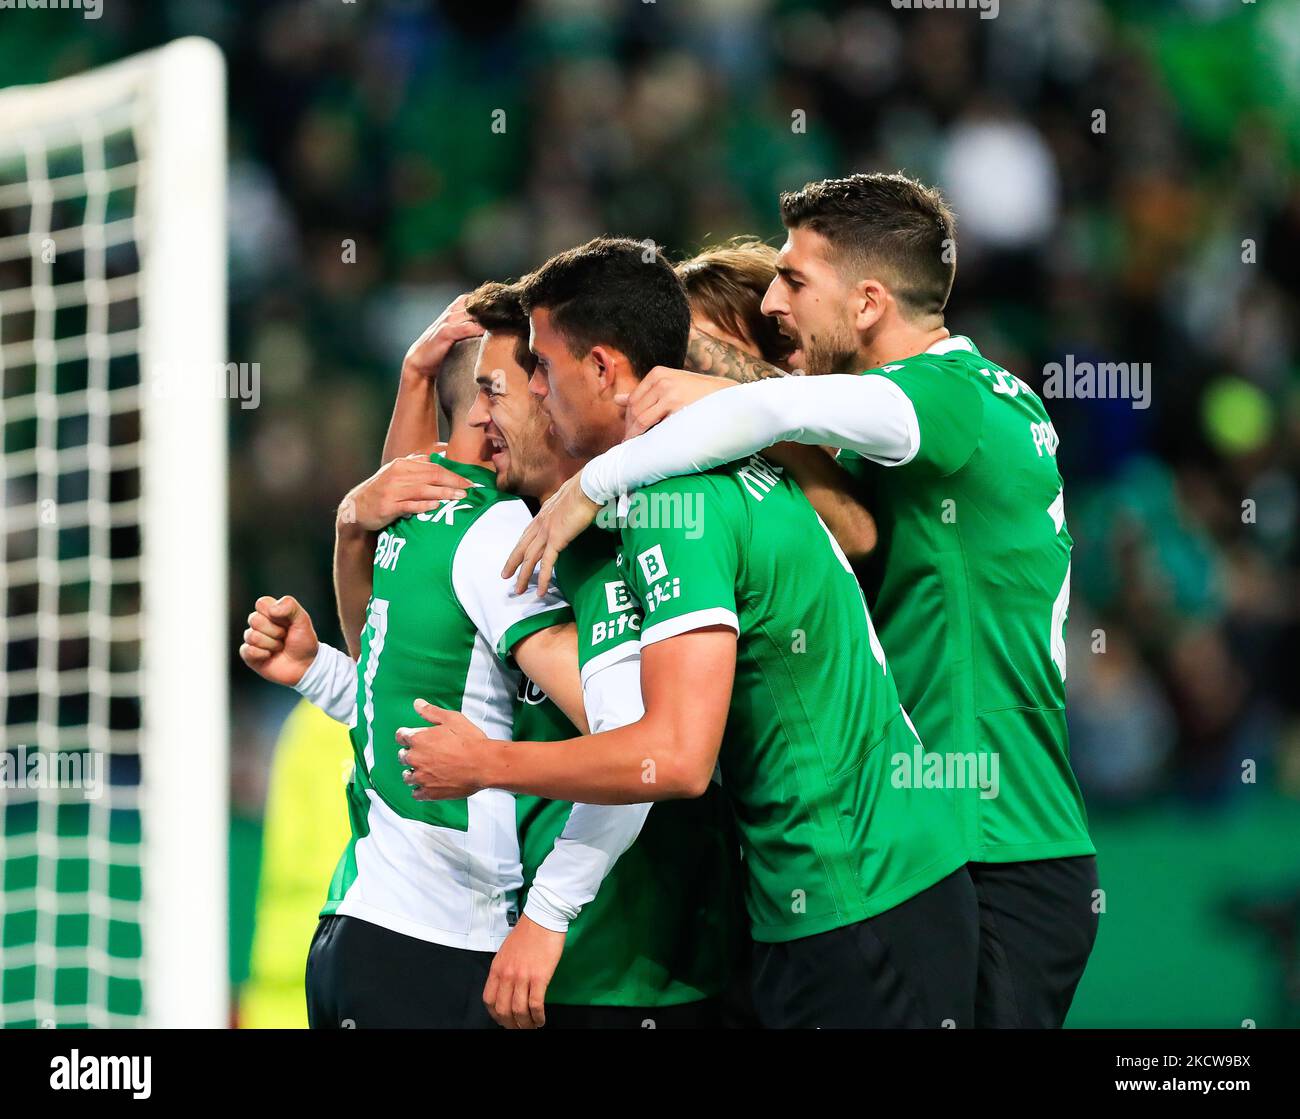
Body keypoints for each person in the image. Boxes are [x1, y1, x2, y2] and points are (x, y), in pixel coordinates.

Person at [507, 173, 1099, 1028]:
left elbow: (794, 423)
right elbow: (833, 489)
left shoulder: (948, 398)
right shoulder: (939, 422)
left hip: (983, 833)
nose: (778, 300)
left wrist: (595, 482)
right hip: (944, 833)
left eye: (795, 279)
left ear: (866, 302)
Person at [397, 237, 979, 1028]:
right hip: (836, 892)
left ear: (603, 369)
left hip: (857, 893)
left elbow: (671, 756)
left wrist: (487, 762)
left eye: (542, 367)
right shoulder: (693, 472)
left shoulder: (677, 504)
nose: (532, 390)